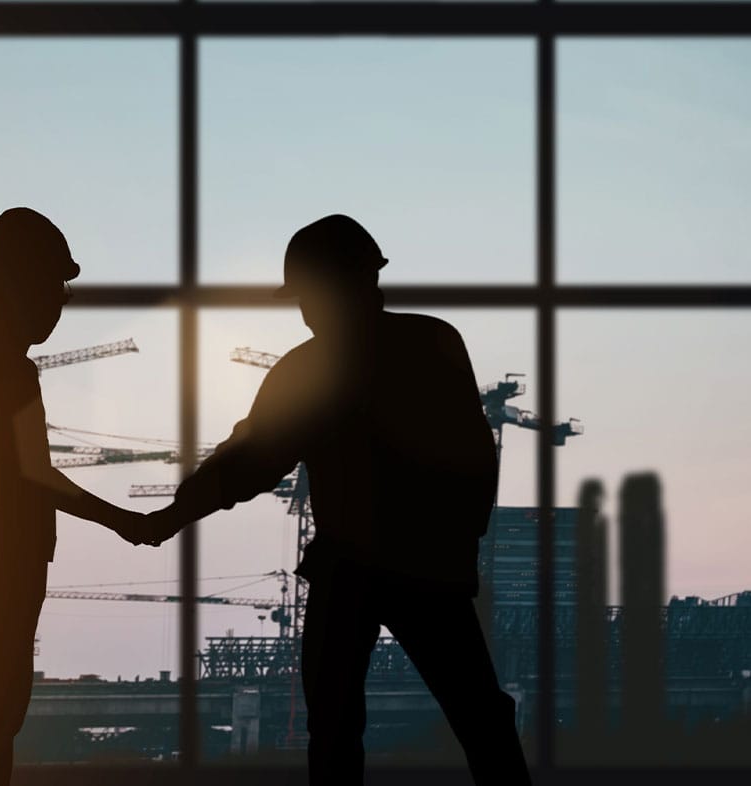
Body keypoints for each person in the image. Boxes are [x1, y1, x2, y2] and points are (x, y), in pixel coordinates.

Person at [144, 214, 531, 785]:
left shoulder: (309, 368)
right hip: (425, 568)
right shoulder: (434, 341)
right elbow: (475, 455)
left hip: (350, 569)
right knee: (478, 714)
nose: (304, 311)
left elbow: (249, 458)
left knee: (335, 726)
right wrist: (461, 543)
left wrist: (176, 512)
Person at [0, 207, 147, 786]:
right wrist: (123, 520)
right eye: (51, 286)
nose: (59, 302)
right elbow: (34, 475)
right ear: (14, 284)